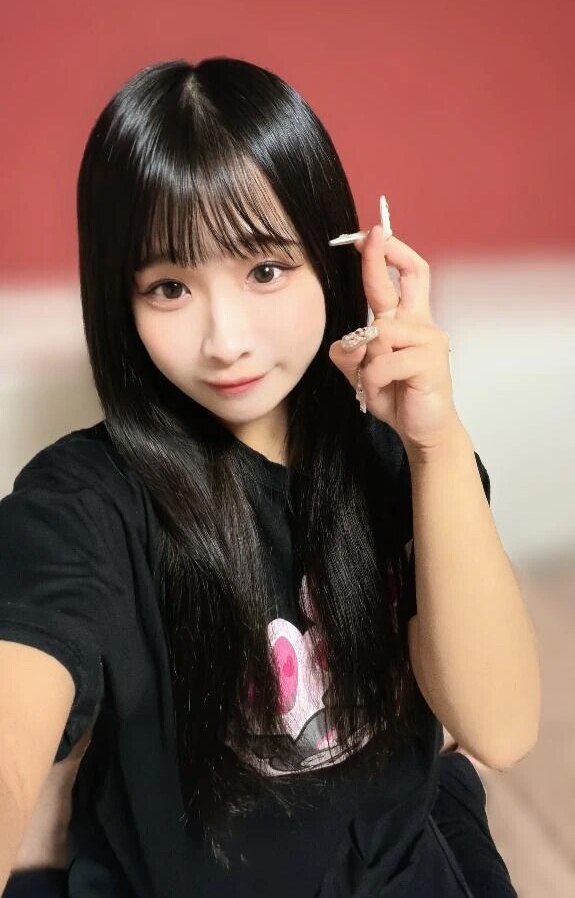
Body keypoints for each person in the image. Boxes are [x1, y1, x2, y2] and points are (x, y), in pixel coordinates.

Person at [0, 57, 539, 897]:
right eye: (169, 287)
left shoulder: (400, 462)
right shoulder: (83, 500)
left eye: (264, 271)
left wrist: (435, 443)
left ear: (332, 257)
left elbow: (499, 730)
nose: (227, 341)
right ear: (120, 300)